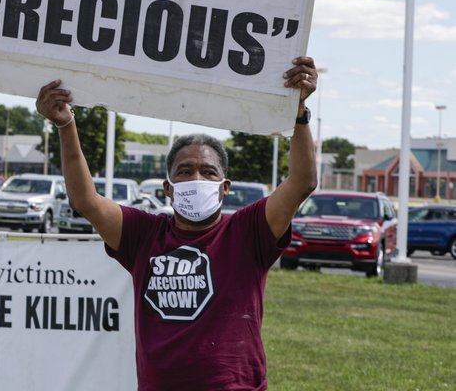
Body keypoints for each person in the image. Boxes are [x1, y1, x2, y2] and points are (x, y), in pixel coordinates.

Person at [35, 57, 319, 390]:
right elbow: (86, 201)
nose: (196, 178)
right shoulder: (144, 236)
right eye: (185, 171)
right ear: (168, 188)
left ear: (225, 188)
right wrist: (66, 126)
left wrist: (299, 113)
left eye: (208, 172)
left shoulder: (247, 232)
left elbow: (302, 181)